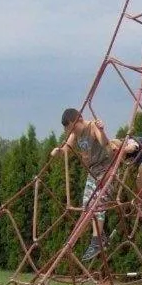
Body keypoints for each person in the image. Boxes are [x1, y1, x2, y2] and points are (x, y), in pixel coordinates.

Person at [50, 108, 119, 262]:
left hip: (106, 169)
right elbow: (67, 148)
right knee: (87, 205)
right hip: (93, 171)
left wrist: (102, 130)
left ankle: (97, 241)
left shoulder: (92, 126)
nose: (71, 131)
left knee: (98, 203)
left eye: (72, 128)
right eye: (69, 130)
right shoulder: (75, 133)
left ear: (79, 119)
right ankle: (100, 237)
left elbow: (104, 143)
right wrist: (59, 151)